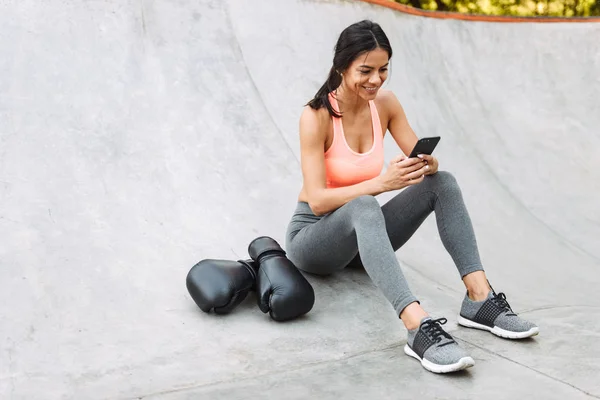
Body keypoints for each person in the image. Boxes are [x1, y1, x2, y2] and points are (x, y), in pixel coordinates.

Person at [284, 20, 539, 374]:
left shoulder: (385, 104)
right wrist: (383, 184)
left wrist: (428, 164)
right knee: (364, 204)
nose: (376, 80)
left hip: (363, 241)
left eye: (383, 69)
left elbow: (422, 162)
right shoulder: (316, 116)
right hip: (314, 240)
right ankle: (417, 326)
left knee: (443, 182)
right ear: (341, 67)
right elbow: (317, 201)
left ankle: (479, 298)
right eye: (365, 71)